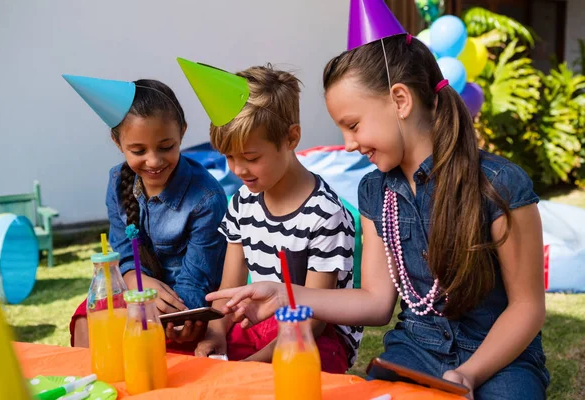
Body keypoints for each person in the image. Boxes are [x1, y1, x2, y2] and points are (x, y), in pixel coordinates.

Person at [206, 34, 549, 399]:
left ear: (400, 100)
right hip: (416, 351)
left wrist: (468, 374)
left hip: (501, 358)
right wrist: (282, 295)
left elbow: (527, 307)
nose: (349, 143)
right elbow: (375, 302)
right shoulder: (375, 191)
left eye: (352, 125)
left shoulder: (501, 185)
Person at [184, 63, 362, 373]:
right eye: (229, 157)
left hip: (314, 335)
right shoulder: (241, 202)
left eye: (251, 158)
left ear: (291, 138)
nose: (238, 170)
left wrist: (250, 368)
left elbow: (314, 321)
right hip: (259, 325)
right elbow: (230, 286)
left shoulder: (326, 214)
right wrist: (216, 334)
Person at [64, 77, 227, 348]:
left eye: (166, 147)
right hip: (135, 291)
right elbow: (123, 251)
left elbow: (199, 278)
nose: (154, 161)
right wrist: (132, 279)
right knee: (86, 322)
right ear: (118, 142)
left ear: (182, 133)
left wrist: (177, 315)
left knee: (151, 335)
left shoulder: (206, 198)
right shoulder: (117, 180)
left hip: (183, 302)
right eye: (138, 150)